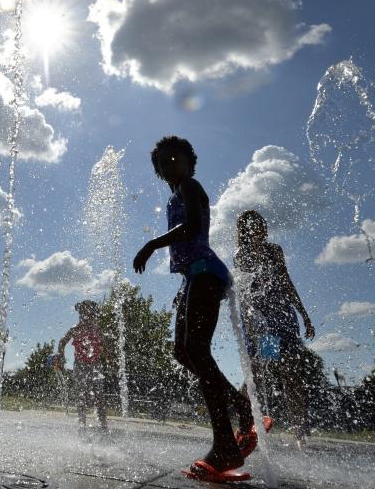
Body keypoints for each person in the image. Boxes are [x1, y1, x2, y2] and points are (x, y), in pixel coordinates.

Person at [133, 135, 255, 482]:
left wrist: (151, 244)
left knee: (196, 350)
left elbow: (192, 229)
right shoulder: (176, 191)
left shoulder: (190, 185)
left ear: (189, 162)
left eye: (176, 159)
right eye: (162, 163)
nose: (169, 166)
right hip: (195, 276)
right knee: (183, 352)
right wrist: (183, 287)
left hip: (206, 272)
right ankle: (241, 408)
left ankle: (225, 446)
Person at [234, 210, 315, 447]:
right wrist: (249, 326)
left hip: (283, 318)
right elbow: (242, 292)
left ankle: (300, 434)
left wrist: (304, 314)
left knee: (292, 376)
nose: (258, 230)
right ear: (245, 232)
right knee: (259, 374)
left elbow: (286, 281)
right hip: (262, 322)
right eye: (252, 227)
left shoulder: (274, 250)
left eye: (260, 225)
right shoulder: (242, 255)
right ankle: (245, 425)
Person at [53, 300, 108, 432]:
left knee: (99, 397)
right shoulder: (76, 329)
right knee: (82, 395)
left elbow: (105, 346)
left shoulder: (97, 329)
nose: (86, 316)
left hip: (95, 366)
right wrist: (61, 356)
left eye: (90, 313)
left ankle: (104, 427)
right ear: (81, 314)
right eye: (83, 313)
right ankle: (82, 426)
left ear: (94, 314)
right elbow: (62, 341)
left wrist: (108, 357)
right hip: (80, 365)